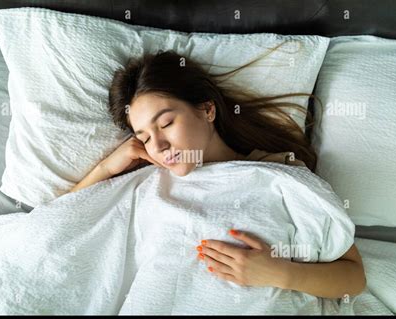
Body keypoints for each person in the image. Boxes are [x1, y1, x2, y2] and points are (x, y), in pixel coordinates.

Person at [71, 49, 366, 299]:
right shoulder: (147, 181)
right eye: (144, 137)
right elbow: (58, 223)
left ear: (207, 110)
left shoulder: (277, 173)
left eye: (166, 123)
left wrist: (281, 273)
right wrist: (106, 168)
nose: (158, 145)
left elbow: (353, 276)